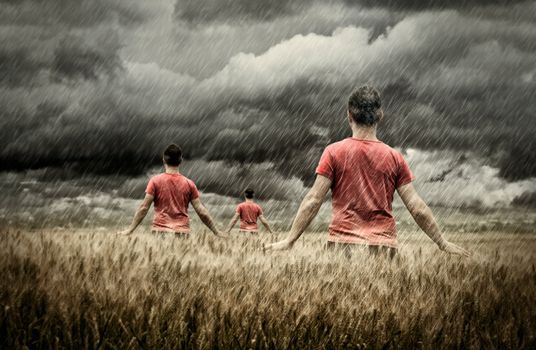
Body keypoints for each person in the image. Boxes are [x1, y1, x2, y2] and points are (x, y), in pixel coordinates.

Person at [264, 85, 470, 257]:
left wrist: (289, 240)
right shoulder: (394, 157)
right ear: (380, 115)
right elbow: (416, 207)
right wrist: (441, 242)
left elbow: (313, 200)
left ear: (349, 116)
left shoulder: (333, 152)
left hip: (341, 248)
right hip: (383, 249)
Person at [117, 144, 225, 238]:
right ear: (181, 160)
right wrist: (216, 232)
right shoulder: (189, 183)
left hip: (160, 232)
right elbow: (201, 211)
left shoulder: (155, 181)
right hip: (182, 233)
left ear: (164, 159)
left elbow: (144, 208)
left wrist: (130, 230)